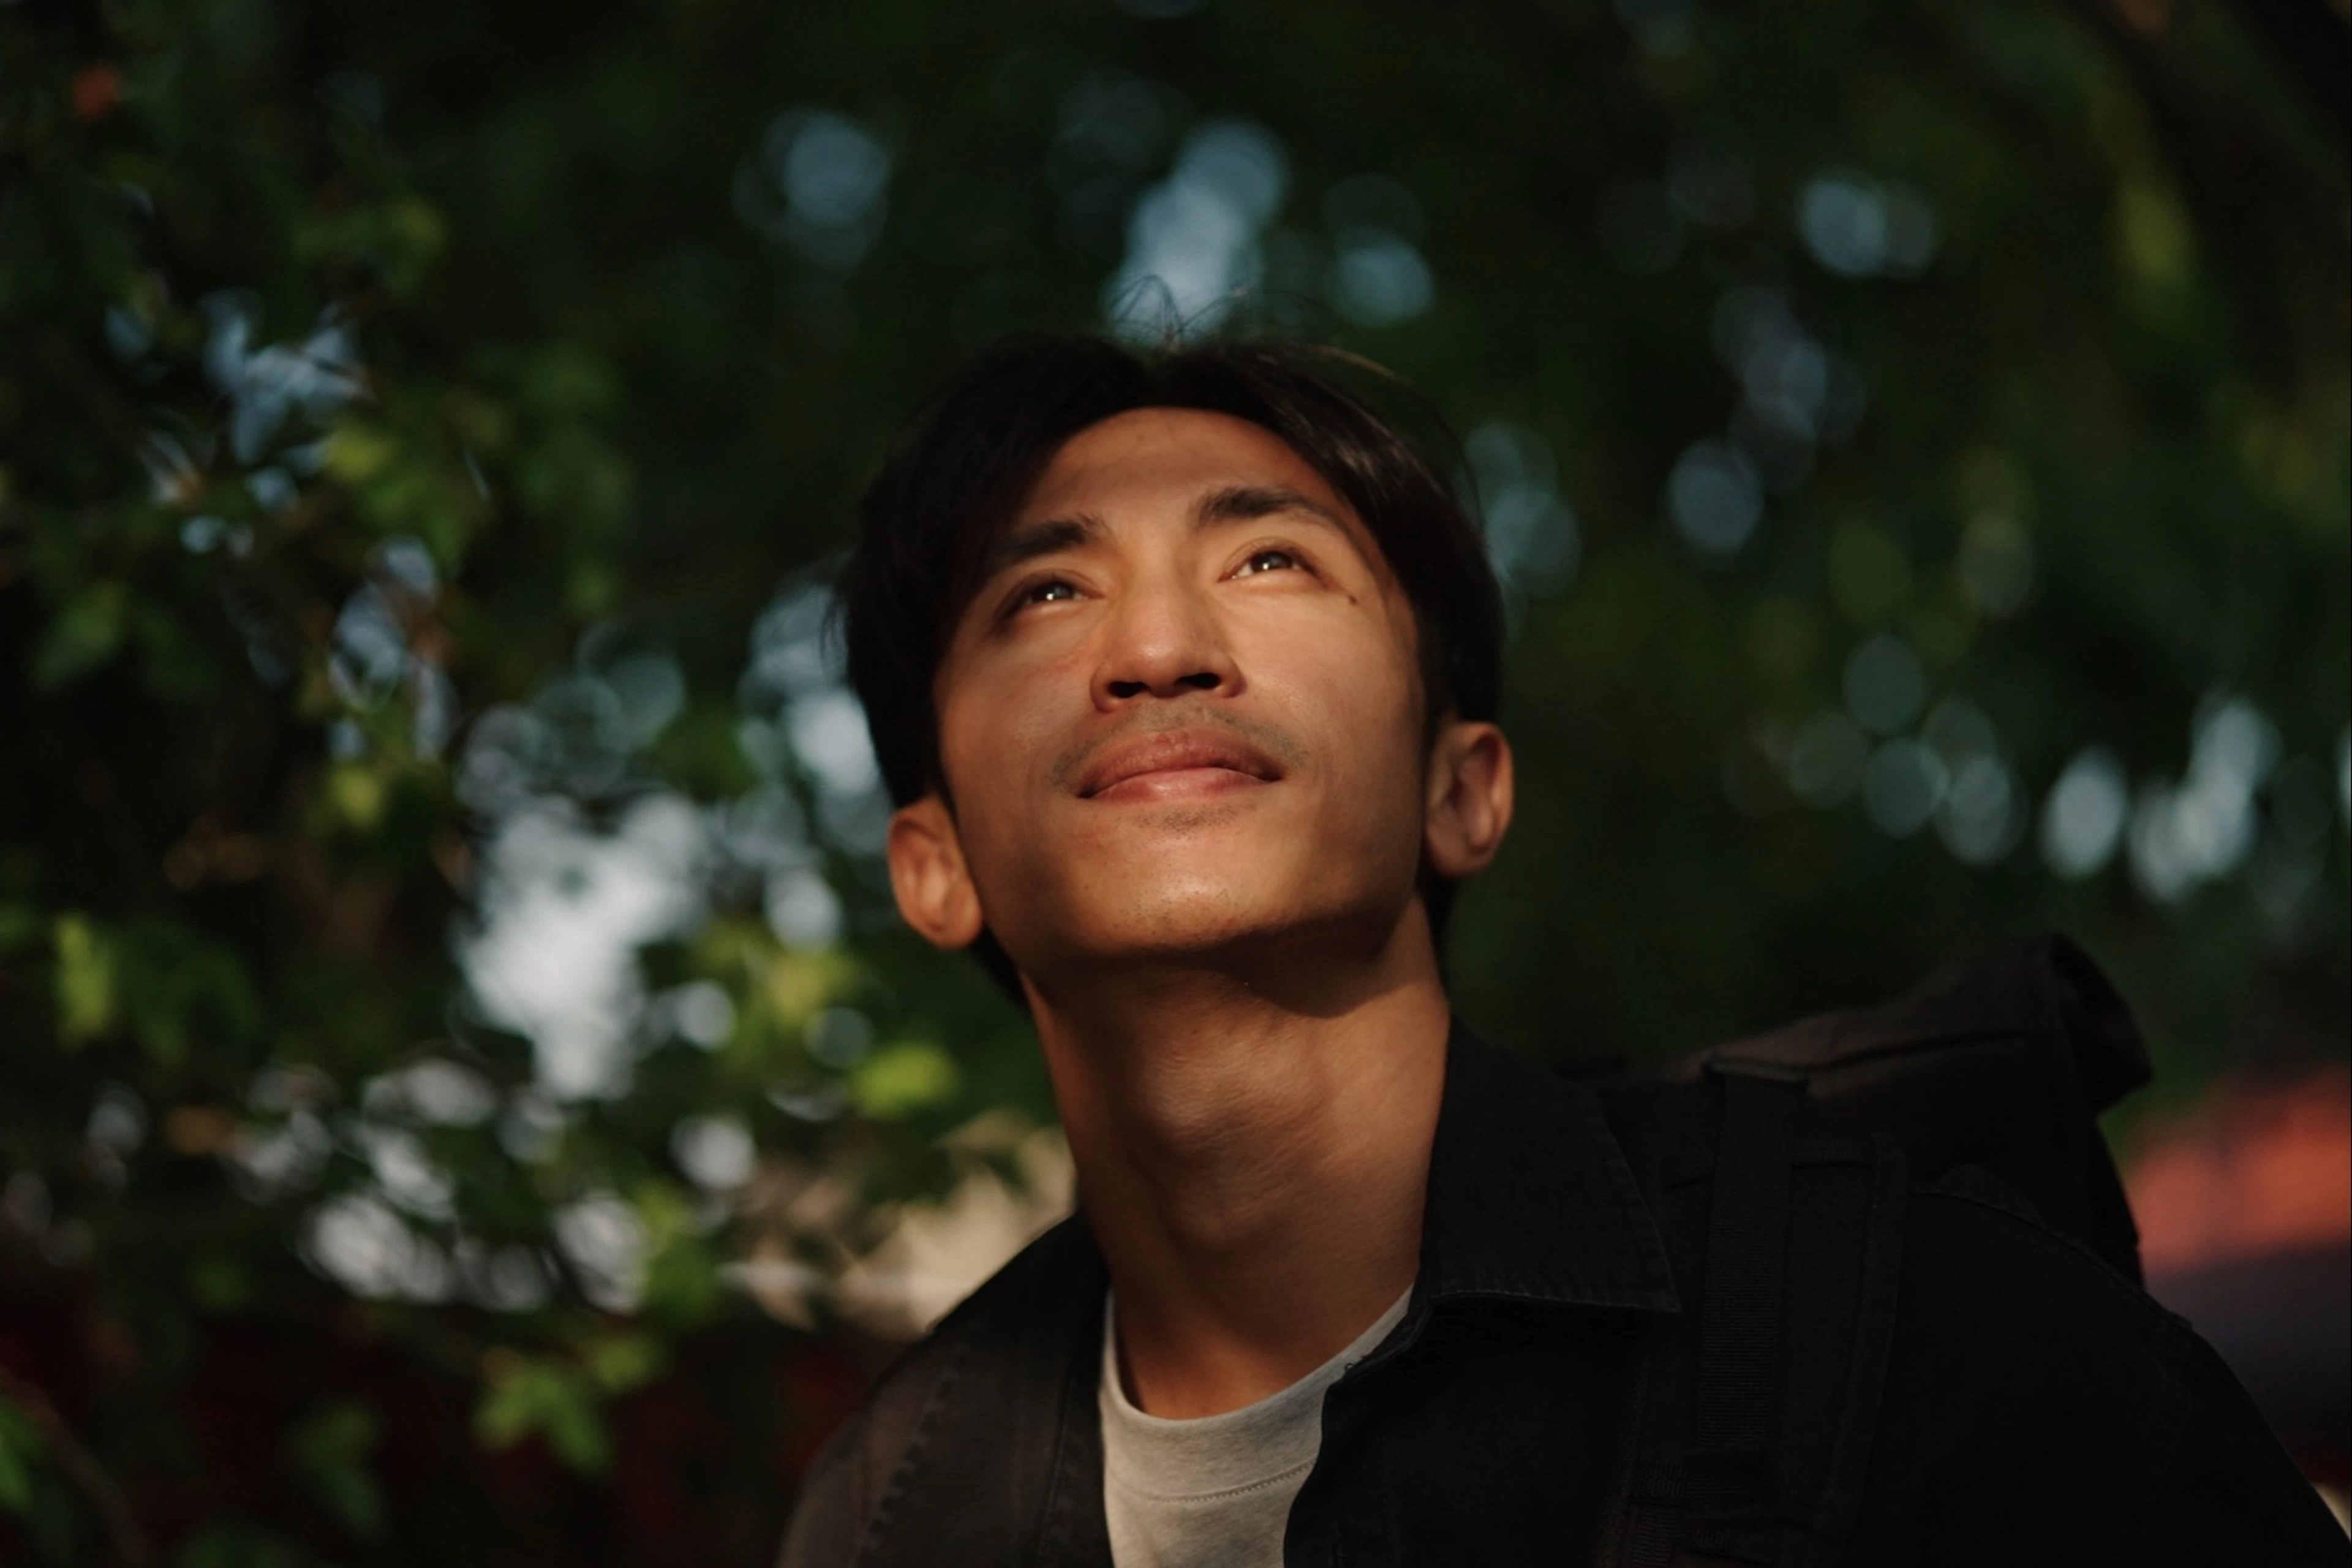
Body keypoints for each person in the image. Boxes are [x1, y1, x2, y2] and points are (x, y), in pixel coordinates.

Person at [777, 336, 2343, 1567]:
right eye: (1048, 590)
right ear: (935, 864)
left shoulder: (1919, 1330)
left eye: (1271, 561)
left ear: (1466, 787)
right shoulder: (891, 1512)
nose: (1160, 648)